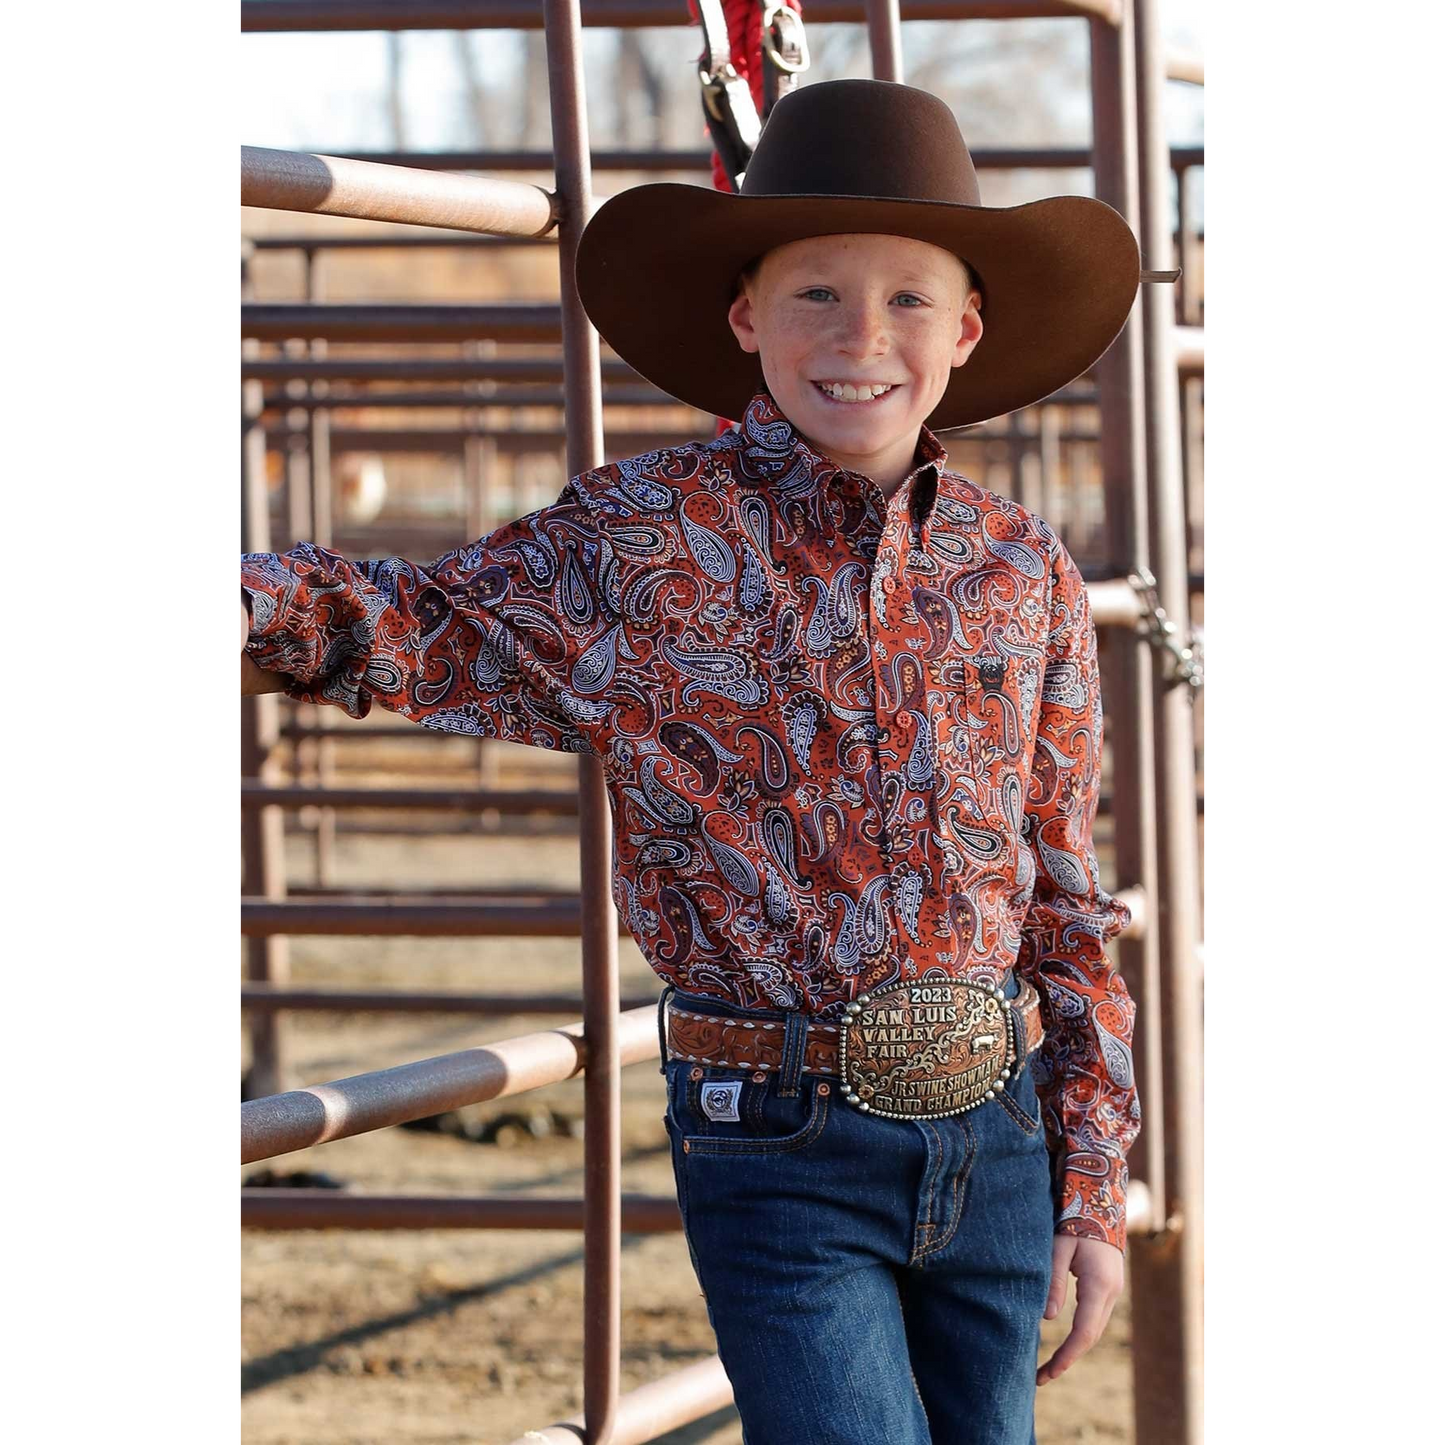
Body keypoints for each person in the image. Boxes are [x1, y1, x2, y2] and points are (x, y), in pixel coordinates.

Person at [239, 79, 1164, 1445]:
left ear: (967, 329)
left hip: (996, 1134)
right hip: (776, 1135)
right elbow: (424, 625)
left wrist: (1091, 1181)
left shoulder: (1017, 567)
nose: (863, 339)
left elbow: (1065, 897)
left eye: (910, 300)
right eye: (815, 297)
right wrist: (257, 604)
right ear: (746, 318)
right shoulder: (642, 543)